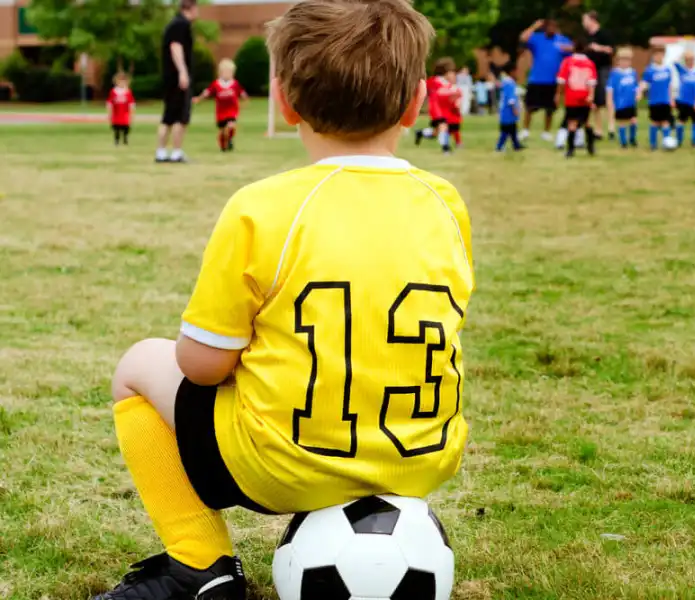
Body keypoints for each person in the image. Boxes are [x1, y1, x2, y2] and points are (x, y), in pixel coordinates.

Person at [92, 0, 475, 598]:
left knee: (139, 364)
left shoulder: (263, 207)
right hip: (421, 458)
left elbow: (201, 365)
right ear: (417, 102)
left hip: (283, 466)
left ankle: (200, 564)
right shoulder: (445, 202)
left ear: (285, 99)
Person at [157, 0, 197, 164]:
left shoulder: (173, 24)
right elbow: (176, 47)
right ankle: (176, 152)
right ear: (190, 8)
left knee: (168, 116)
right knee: (180, 116)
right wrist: (183, 72)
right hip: (177, 78)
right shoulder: (181, 25)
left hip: (169, 78)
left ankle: (161, 152)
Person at [519, 18, 572, 142]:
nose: (551, 30)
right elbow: (523, 38)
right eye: (549, 27)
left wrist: (568, 49)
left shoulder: (561, 40)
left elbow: (574, 49)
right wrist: (534, 26)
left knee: (550, 109)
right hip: (536, 79)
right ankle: (525, 130)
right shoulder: (537, 38)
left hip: (553, 80)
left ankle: (546, 132)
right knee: (530, 107)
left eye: (554, 27)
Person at [193, 59, 249, 152]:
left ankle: (230, 139)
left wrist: (244, 100)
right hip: (221, 112)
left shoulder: (234, 84)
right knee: (223, 131)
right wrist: (199, 99)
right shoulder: (216, 84)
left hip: (232, 110)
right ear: (220, 73)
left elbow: (242, 93)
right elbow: (207, 93)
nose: (228, 74)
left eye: (230, 72)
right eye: (225, 72)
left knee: (231, 126)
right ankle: (223, 144)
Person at [556, 38, 597, 158]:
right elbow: (592, 82)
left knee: (572, 123)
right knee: (587, 123)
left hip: (572, 97)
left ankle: (570, 150)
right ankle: (591, 146)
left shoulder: (567, 62)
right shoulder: (590, 63)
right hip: (585, 96)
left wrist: (558, 94)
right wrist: (591, 96)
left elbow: (561, 80)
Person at [582, 11, 615, 140]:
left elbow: (611, 50)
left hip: (603, 69)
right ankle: (598, 130)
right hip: (591, 70)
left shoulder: (604, 34)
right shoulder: (586, 37)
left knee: (607, 98)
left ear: (592, 20)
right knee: (594, 101)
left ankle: (611, 127)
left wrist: (598, 48)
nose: (583, 23)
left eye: (585, 20)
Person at [414, 57, 454, 151]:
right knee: (443, 127)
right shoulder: (434, 81)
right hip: (436, 109)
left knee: (436, 132)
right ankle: (445, 148)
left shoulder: (446, 83)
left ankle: (420, 133)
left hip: (443, 110)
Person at [640, 46, 674, 151]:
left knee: (665, 122)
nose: (659, 57)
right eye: (656, 55)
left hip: (665, 100)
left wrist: (671, 98)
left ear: (663, 56)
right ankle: (653, 144)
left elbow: (670, 86)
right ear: (653, 56)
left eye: (661, 55)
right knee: (654, 122)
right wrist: (639, 92)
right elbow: (644, 83)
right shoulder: (650, 70)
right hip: (654, 101)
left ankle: (666, 143)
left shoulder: (667, 69)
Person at [606, 47, 639, 149]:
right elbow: (610, 88)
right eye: (622, 60)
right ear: (618, 60)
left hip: (631, 102)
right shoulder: (615, 73)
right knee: (622, 122)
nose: (625, 62)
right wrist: (609, 100)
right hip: (620, 103)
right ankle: (623, 142)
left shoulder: (633, 72)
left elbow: (636, 86)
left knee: (633, 120)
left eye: (627, 60)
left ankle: (632, 139)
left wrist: (638, 93)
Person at [674, 50, 695, 148]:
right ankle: (678, 140)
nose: (690, 62)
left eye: (692, 60)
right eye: (688, 60)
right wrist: (682, 54)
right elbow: (675, 62)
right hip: (683, 101)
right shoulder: (682, 70)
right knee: (681, 121)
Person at [496, 64, 524, 152]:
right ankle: (499, 146)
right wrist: (514, 109)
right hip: (508, 111)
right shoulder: (509, 83)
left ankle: (516, 145)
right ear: (512, 72)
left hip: (506, 111)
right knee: (506, 130)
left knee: (513, 129)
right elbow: (510, 98)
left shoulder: (506, 82)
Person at [107, 72, 135, 147]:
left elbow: (131, 104)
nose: (122, 83)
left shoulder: (128, 92)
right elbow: (110, 103)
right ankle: (117, 139)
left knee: (125, 127)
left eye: (124, 81)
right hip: (116, 113)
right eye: (120, 81)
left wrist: (131, 114)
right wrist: (109, 113)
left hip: (125, 113)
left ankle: (125, 138)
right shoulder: (113, 92)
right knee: (116, 128)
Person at [442, 69, 464, 149]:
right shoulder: (445, 88)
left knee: (455, 130)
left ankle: (458, 143)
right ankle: (446, 146)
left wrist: (458, 106)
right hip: (447, 114)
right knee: (447, 131)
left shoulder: (456, 88)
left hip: (454, 114)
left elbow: (459, 100)